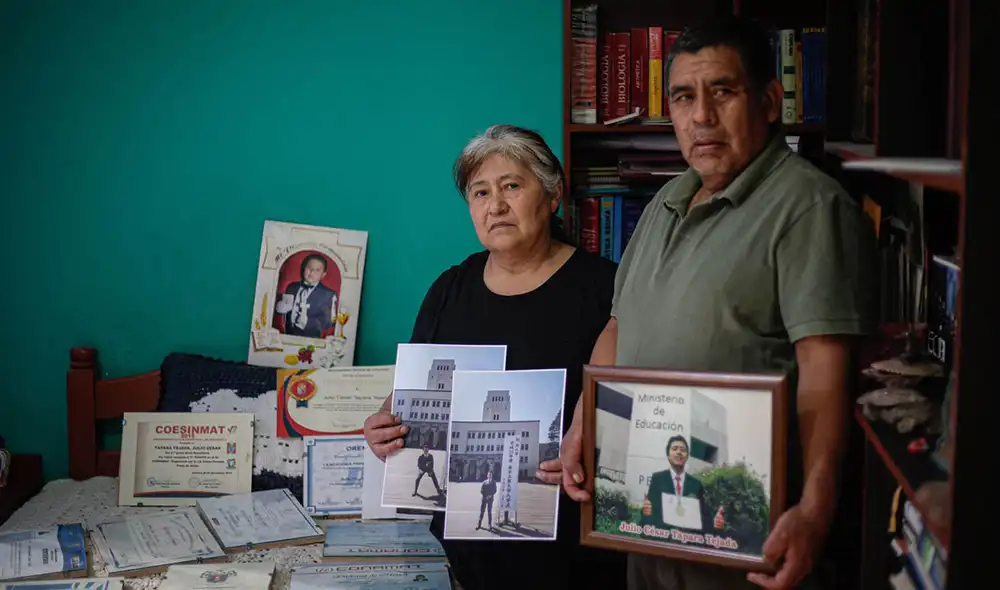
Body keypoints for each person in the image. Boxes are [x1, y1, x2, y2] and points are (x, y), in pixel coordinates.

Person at [548, 16, 876, 590]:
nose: (701, 115)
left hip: (749, 542)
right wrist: (583, 420)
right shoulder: (664, 203)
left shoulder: (809, 207)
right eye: (682, 97)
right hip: (648, 529)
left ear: (771, 101)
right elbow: (619, 328)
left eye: (722, 91)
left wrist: (816, 511)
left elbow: (826, 377)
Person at [363, 124, 625, 589]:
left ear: (552, 196)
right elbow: (410, 394)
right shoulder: (449, 289)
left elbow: (630, 408)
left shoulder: (606, 289)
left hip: (578, 553)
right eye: (480, 192)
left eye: (511, 186)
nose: (496, 205)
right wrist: (385, 425)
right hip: (470, 560)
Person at [640, 435, 725, 533]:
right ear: (668, 454)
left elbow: (704, 518)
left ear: (687, 456)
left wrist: (715, 523)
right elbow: (649, 514)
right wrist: (646, 512)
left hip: (688, 541)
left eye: (682, 450)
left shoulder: (696, 484)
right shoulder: (658, 479)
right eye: (674, 449)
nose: (679, 452)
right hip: (664, 539)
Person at [274, 254, 338, 338]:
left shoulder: (328, 294)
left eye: (317, 270)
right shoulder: (291, 287)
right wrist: (278, 307)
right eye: (309, 267)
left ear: (323, 275)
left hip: (311, 340)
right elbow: (284, 311)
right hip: (288, 335)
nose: (312, 272)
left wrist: (307, 322)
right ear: (304, 268)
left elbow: (329, 323)